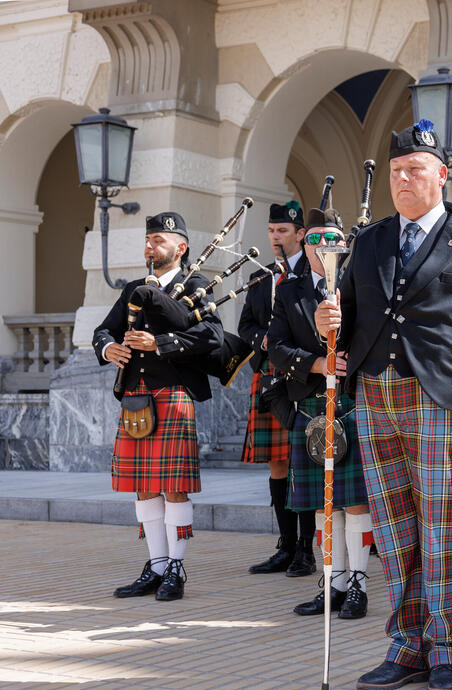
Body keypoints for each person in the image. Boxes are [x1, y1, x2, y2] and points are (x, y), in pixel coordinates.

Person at [315, 120, 452, 690]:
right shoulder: (371, 241)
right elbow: (350, 318)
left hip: (443, 400)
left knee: (445, 527)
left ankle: (447, 650)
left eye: (415, 170)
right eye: (397, 172)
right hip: (376, 394)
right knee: (395, 528)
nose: (404, 179)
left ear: (441, 175)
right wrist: (325, 326)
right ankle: (407, 647)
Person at [93, 212, 223, 602]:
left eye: (158, 240)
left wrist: (161, 344)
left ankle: (176, 571)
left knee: (174, 487)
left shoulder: (195, 286)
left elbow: (211, 336)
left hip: (174, 393)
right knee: (144, 488)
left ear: (180, 247)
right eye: (148, 239)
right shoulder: (132, 288)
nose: (150, 246)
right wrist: (107, 347)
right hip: (136, 396)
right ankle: (156, 566)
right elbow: (103, 329)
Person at [267, 207, 374, 620]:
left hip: (353, 400)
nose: (323, 248)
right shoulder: (290, 291)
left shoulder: (360, 286)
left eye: (332, 240)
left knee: (355, 502)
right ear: (303, 243)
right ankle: (334, 584)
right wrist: (317, 364)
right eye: (315, 239)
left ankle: (358, 585)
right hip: (313, 403)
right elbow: (275, 347)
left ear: (344, 245)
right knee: (324, 505)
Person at [239, 199, 317, 577]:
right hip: (269, 373)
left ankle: (306, 550)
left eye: (283, 231)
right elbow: (245, 327)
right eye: (271, 231)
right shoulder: (261, 276)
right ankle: (286, 547)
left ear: (300, 234)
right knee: (277, 463)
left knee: (302, 460)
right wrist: (263, 340)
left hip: (303, 377)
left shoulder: (315, 273)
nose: (275, 237)